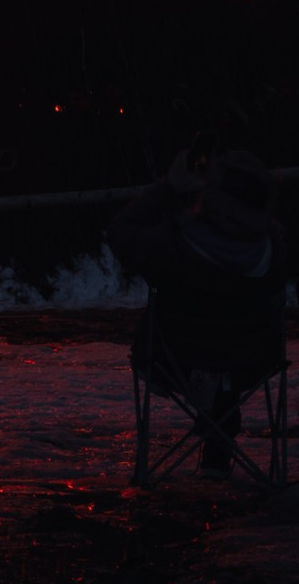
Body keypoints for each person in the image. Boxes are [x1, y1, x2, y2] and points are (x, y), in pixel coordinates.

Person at [117, 142, 289, 472]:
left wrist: (169, 188)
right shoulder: (273, 257)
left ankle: (215, 436)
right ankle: (219, 437)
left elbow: (121, 232)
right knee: (225, 349)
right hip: (249, 363)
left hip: (173, 361)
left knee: (211, 347)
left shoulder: (174, 245)